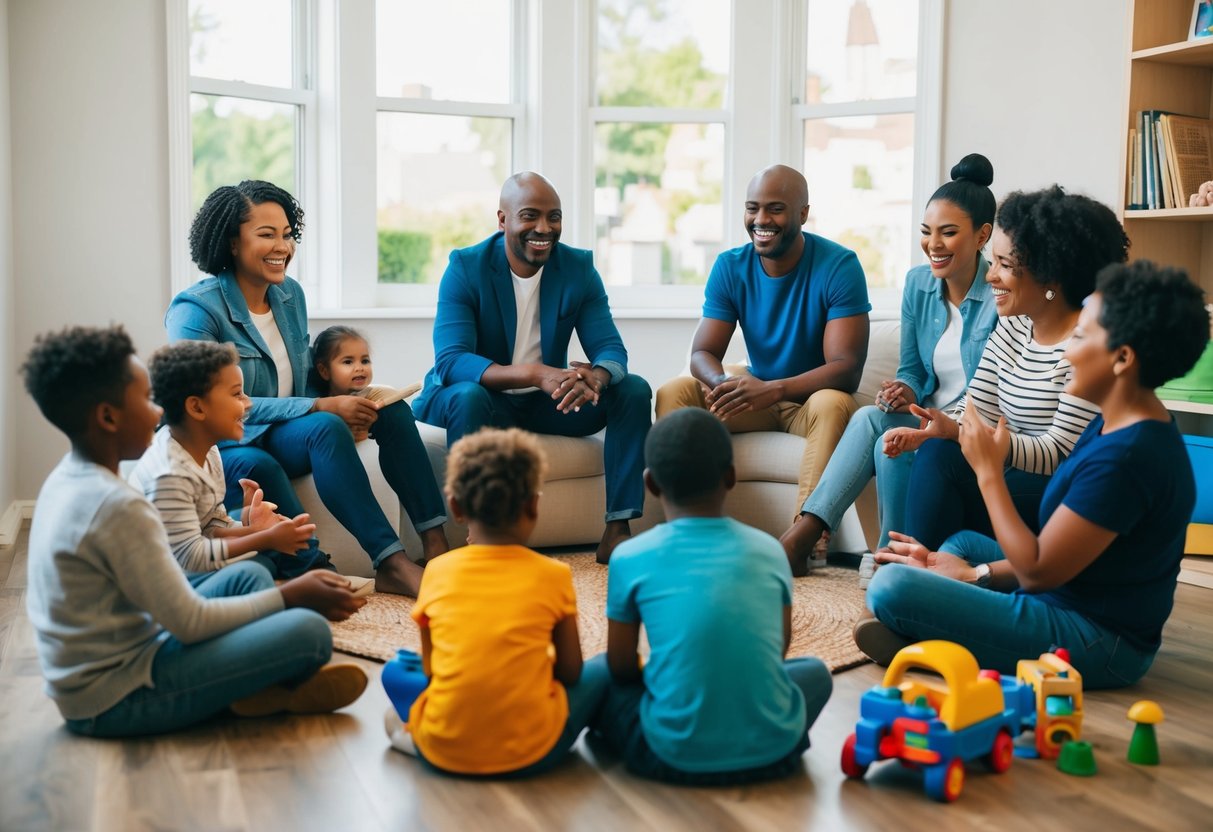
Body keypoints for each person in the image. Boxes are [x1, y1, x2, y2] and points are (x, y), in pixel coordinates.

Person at [857, 262, 1209, 689]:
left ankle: (927, 632)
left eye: (1080, 336)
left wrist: (989, 472)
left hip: (1098, 639)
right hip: (1065, 595)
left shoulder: (1128, 458)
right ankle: (935, 628)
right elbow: (1057, 557)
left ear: (1122, 358)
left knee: (893, 587)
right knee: (962, 547)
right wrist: (973, 574)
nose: (1066, 351)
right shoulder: (1118, 422)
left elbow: (1041, 570)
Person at [21, 325, 368, 738]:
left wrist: (247, 534)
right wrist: (291, 594)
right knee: (309, 633)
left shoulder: (68, 477)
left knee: (250, 575)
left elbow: (177, 597)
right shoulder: (116, 506)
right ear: (108, 417)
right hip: (113, 697)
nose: (158, 413)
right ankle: (257, 688)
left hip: (132, 647)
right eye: (145, 401)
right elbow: (189, 621)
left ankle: (254, 688)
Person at [166, 180, 448, 596]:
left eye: (287, 235)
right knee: (325, 426)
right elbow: (208, 403)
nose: (282, 246)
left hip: (286, 434)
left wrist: (357, 395)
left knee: (393, 411)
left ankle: (437, 548)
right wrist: (318, 408)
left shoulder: (289, 295)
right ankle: (392, 563)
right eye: (266, 235)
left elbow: (298, 376)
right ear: (230, 242)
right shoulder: (195, 310)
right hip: (231, 444)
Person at [412, 171, 652, 564]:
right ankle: (481, 535)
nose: (544, 228)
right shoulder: (465, 267)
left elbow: (610, 348)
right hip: (475, 398)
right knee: (469, 395)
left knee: (633, 389)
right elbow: (452, 360)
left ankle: (618, 530)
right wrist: (537, 373)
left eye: (553, 217)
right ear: (503, 220)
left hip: (544, 402)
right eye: (530, 216)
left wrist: (597, 376)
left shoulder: (578, 269)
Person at [779, 154, 999, 579]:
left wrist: (932, 418)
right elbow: (914, 369)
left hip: (968, 427)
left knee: (892, 437)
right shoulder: (918, 285)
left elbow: (990, 391)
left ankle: (886, 555)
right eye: (926, 232)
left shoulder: (998, 296)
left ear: (981, 235)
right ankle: (809, 532)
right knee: (870, 417)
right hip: (927, 415)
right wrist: (904, 390)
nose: (933, 244)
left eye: (948, 233)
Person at [591, 408, 833, 784]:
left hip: (670, 755)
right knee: (815, 673)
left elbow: (622, 666)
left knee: (602, 678)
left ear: (651, 484)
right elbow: (777, 653)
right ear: (731, 477)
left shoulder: (630, 556)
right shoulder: (771, 552)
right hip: (774, 753)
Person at [887, 186, 1129, 553]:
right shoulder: (1016, 324)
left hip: (1059, 489)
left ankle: (917, 568)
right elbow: (977, 407)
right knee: (937, 454)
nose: (990, 276)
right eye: (994, 261)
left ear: (1051, 276)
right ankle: (930, 565)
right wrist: (946, 427)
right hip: (1010, 471)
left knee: (943, 460)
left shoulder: (1088, 344)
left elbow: (1059, 454)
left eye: (1005, 265)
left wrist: (977, 443)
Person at [655, 164, 870, 563]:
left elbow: (846, 367)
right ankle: (685, 524)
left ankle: (806, 538)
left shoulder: (839, 265)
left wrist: (775, 388)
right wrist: (722, 384)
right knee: (675, 390)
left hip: (809, 400)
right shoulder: (730, 266)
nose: (760, 221)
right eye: (753, 208)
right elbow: (702, 353)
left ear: (803, 214)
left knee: (834, 402)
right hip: (757, 394)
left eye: (775, 209)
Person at [385, 428, 609, 776]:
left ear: (456, 507)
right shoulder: (553, 575)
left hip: (442, 750)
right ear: (534, 505)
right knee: (605, 667)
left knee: (404, 685)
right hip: (534, 753)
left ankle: (416, 733)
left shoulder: (436, 572)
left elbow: (432, 669)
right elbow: (570, 672)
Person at [128, 340, 375, 595]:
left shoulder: (206, 449)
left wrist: (256, 529)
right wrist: (265, 538)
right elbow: (190, 556)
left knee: (264, 556)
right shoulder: (170, 474)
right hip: (164, 587)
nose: (247, 404)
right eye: (237, 394)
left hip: (187, 563)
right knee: (257, 570)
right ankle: (295, 588)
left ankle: (302, 577)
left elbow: (211, 527)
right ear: (197, 407)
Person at [311, 325, 414, 442]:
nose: (360, 368)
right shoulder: (322, 409)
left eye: (365, 361)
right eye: (348, 362)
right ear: (324, 371)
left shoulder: (370, 395)